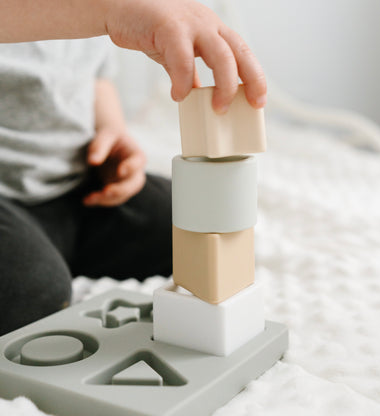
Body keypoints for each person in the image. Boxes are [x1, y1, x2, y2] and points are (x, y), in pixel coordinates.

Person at [0, 0, 267, 335]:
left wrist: (112, 132)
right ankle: (37, 258)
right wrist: (112, 10)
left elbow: (96, 78)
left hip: (78, 186)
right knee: (29, 292)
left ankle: (48, 250)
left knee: (194, 224)